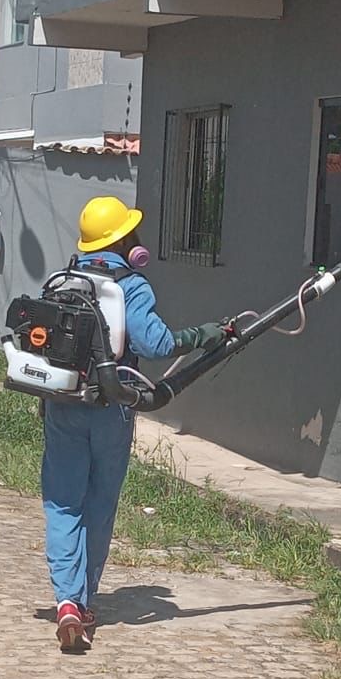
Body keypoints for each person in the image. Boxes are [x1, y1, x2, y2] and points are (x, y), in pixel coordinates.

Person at [43, 196, 226, 651]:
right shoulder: (131, 285)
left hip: (64, 405)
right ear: (124, 241)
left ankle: (66, 602)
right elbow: (156, 342)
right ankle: (85, 603)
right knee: (99, 504)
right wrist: (200, 334)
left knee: (63, 504)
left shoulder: (61, 280)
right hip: (112, 409)